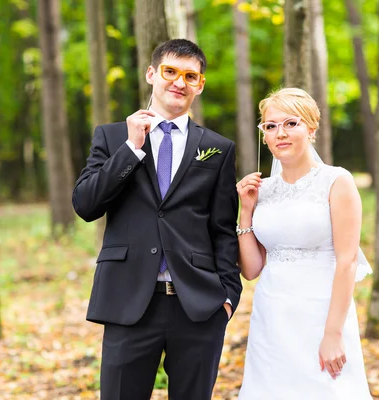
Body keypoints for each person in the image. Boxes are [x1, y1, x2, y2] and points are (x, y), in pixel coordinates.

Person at [72, 39, 242, 400]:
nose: (179, 82)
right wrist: (131, 148)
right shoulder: (113, 136)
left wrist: (227, 297)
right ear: (152, 74)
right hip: (129, 301)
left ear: (200, 84)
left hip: (197, 305)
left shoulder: (218, 148)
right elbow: (86, 205)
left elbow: (223, 228)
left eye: (190, 76)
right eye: (170, 71)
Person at [236, 88, 373, 399]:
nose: (279, 133)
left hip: (321, 315)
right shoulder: (263, 190)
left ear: (311, 129)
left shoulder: (337, 182)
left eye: (291, 123)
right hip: (272, 317)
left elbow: (347, 261)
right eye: (270, 126)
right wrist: (245, 210)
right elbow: (252, 269)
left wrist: (333, 334)